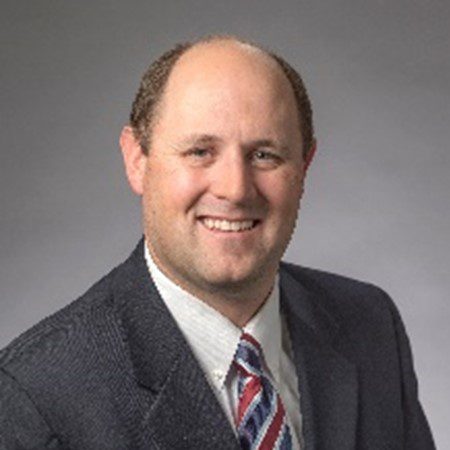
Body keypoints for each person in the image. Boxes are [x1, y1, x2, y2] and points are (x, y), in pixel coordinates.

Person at [0, 35, 435, 450]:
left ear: (304, 167)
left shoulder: (370, 325)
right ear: (137, 160)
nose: (235, 189)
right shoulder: (37, 394)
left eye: (265, 154)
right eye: (200, 152)